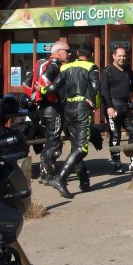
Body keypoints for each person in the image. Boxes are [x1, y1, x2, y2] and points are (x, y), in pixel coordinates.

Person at [47, 44, 100, 199]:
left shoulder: (66, 68)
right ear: (91, 54)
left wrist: (42, 90)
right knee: (82, 148)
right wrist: (94, 101)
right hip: (82, 108)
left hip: (67, 108)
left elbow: (53, 87)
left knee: (76, 145)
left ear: (77, 53)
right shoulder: (91, 67)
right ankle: (60, 177)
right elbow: (96, 87)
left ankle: (84, 182)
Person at [32, 41, 69, 183]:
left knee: (50, 141)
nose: (69, 53)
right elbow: (43, 81)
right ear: (59, 52)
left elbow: (28, 81)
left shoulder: (44, 62)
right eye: (67, 50)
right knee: (54, 144)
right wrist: (52, 97)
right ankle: (47, 174)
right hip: (52, 109)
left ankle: (44, 172)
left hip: (44, 108)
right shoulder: (54, 64)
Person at [102, 46, 133, 174]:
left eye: (124, 56)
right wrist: (109, 106)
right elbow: (104, 91)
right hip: (113, 106)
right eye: (119, 56)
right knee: (115, 136)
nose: (122, 58)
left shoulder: (127, 70)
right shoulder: (107, 71)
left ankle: (132, 158)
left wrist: (128, 92)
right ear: (113, 56)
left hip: (125, 106)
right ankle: (116, 162)